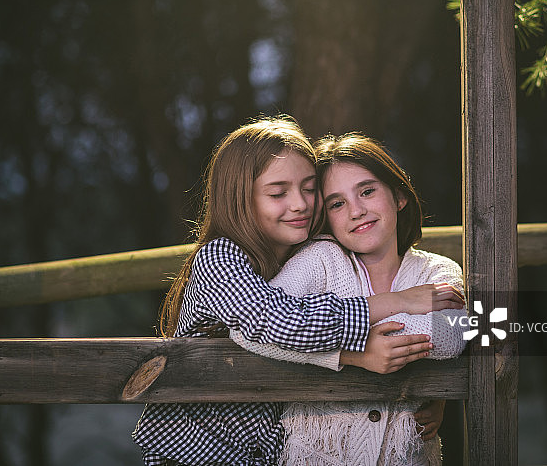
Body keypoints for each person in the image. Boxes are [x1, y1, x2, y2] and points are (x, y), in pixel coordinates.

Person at [132, 117, 464, 466]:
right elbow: (277, 324)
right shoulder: (220, 258)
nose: (300, 204)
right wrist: (383, 318)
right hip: (200, 447)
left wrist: (430, 383)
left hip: (264, 452)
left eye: (309, 189)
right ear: (240, 200)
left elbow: (457, 331)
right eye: (278, 193)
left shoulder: (301, 255)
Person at [231, 133, 468, 466]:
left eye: (367, 191)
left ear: (399, 196)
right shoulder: (320, 260)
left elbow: (450, 336)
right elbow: (249, 330)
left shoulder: (436, 269)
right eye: (337, 203)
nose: (356, 211)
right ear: (326, 216)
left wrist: (307, 331)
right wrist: (352, 352)